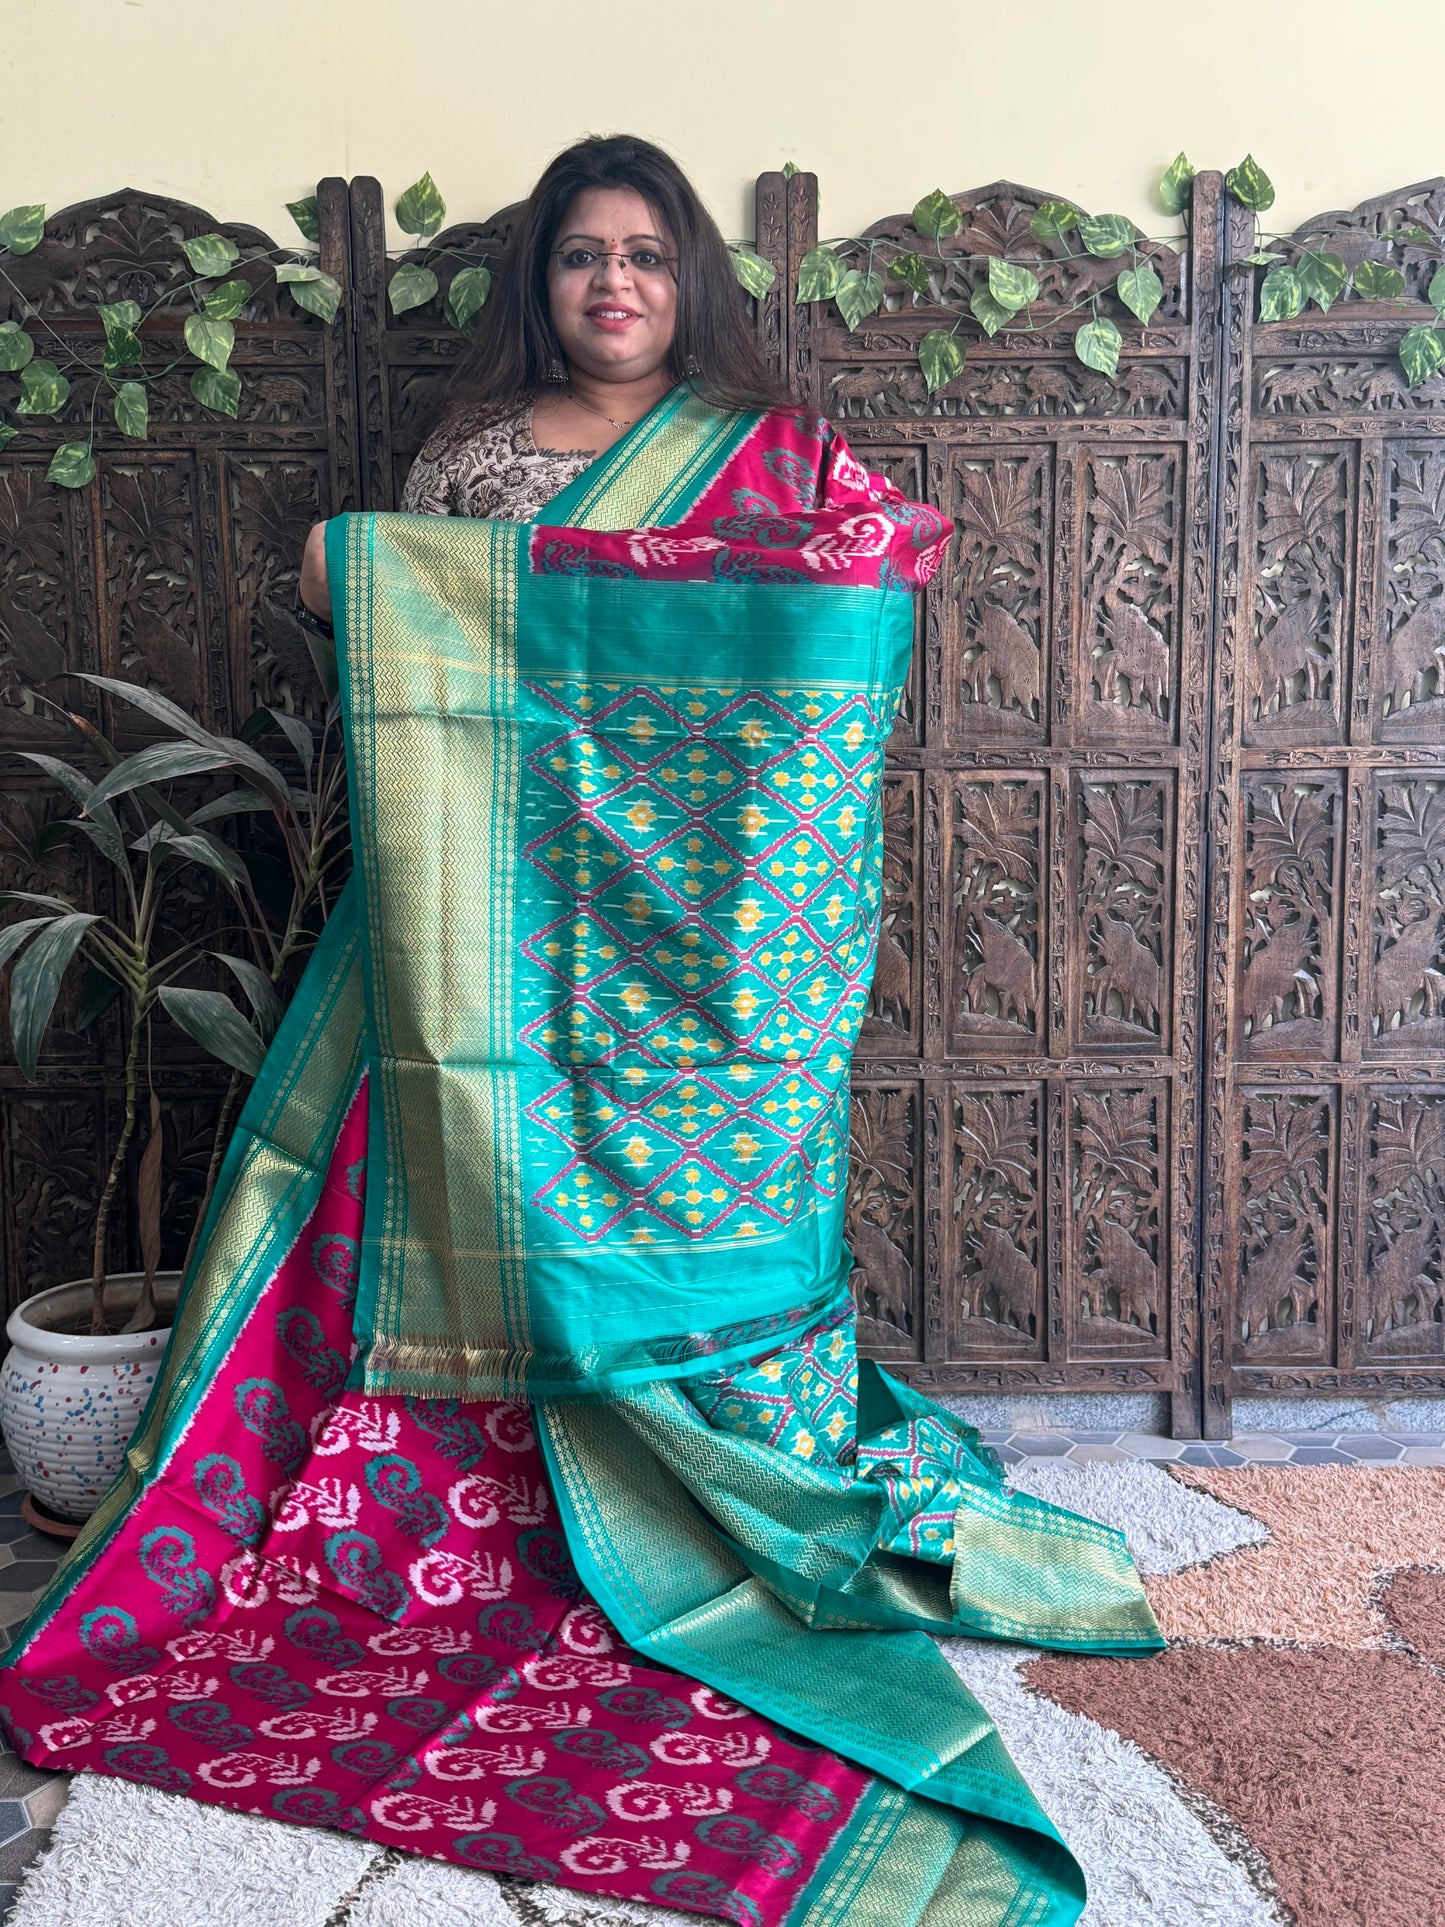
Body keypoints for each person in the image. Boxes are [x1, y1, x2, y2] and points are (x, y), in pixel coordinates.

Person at [0, 136, 1160, 1927]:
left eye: (641, 256)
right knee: (437, 1200)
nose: (611, 286)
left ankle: (698, 1464)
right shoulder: (471, 459)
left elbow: (845, 609)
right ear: (536, 284)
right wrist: (363, 568)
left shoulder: (769, 459)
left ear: (688, 276)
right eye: (577, 260)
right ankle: (471, 1486)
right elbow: (396, 646)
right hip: (477, 936)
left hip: (698, 951)